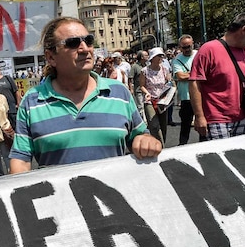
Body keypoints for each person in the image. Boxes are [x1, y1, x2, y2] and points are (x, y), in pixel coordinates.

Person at [10, 17, 161, 172]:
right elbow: (20, 161)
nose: (85, 48)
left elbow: (140, 134)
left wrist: (146, 140)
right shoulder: (31, 101)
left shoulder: (119, 92)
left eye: (88, 41)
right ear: (51, 57)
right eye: (73, 43)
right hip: (59, 196)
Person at [190, 10, 245, 140]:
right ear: (244, 29)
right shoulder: (208, 49)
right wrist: (199, 116)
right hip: (218, 120)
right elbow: (195, 83)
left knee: (242, 159)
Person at [139, 47, 172, 144]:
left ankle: (162, 144)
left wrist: (169, 86)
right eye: (159, 56)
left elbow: (169, 82)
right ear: (153, 58)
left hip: (162, 100)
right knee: (154, 125)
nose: (161, 58)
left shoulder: (164, 69)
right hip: (150, 100)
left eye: (162, 56)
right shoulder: (144, 71)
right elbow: (141, 86)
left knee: (163, 125)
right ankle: (159, 146)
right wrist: (147, 93)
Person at [171, 35, 197, 144]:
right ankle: (182, 146)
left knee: (204, 124)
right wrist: (198, 74)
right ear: (180, 47)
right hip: (186, 97)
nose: (187, 49)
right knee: (185, 126)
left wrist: (188, 75)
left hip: (201, 95)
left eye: (188, 46)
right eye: (184, 47)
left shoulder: (199, 54)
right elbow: (180, 77)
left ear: (193, 44)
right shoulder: (177, 60)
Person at [0, 63, 22, 128]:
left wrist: (18, 104)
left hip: (12, 110)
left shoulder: (7, 78)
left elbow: (16, 91)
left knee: (17, 129)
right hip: (0, 112)